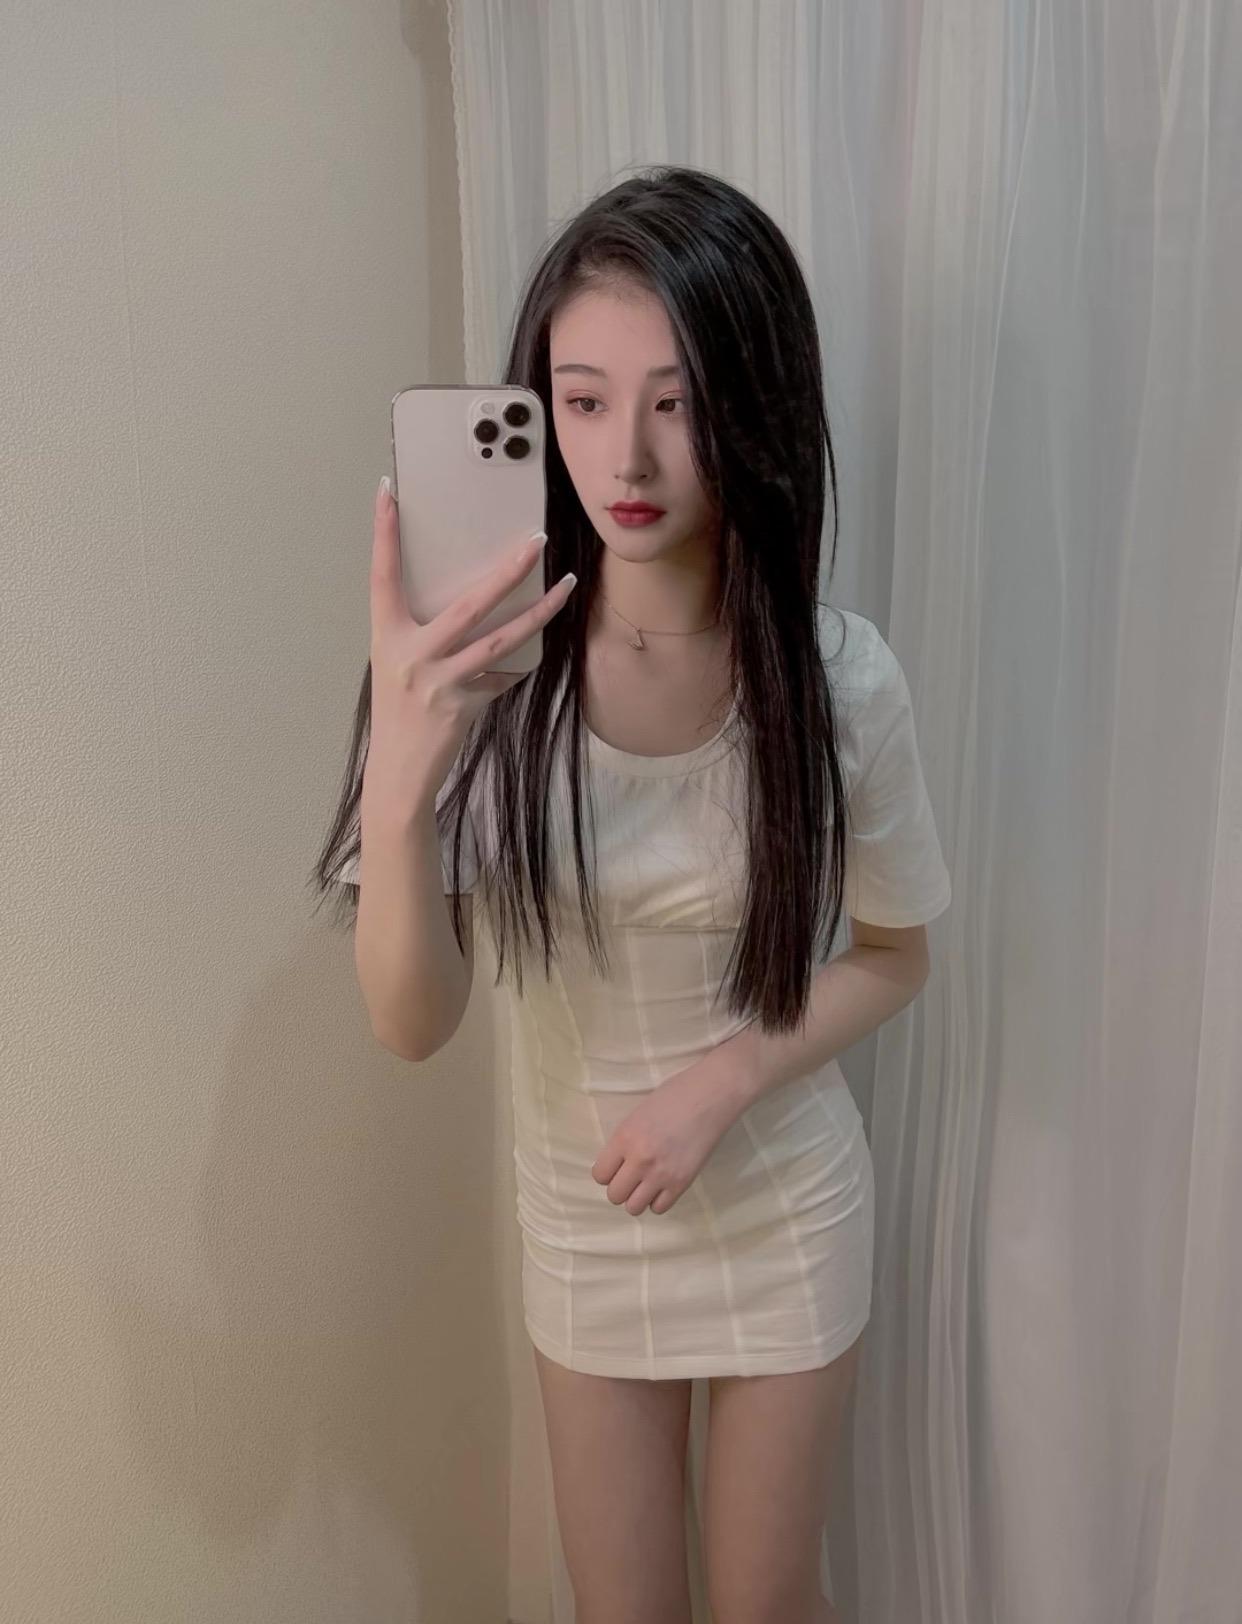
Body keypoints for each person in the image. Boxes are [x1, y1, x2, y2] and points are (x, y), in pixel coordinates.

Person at [314, 164, 951, 1624]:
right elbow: (412, 1024)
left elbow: (897, 952)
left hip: (783, 1204)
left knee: (767, 1606)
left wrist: (722, 1082)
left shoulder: (838, 680)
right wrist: (402, 784)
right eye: (584, 401)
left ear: (755, 407)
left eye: (679, 400)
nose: (630, 455)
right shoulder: (473, 675)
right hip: (583, 1215)